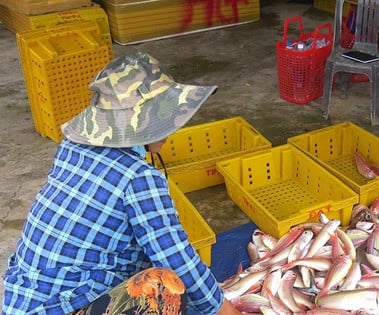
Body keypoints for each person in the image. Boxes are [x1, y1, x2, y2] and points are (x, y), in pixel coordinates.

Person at [2, 52, 241, 314]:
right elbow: (176, 258)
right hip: (62, 306)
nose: (171, 128)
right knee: (162, 286)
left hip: (26, 301)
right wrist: (225, 310)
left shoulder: (73, 148)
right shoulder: (138, 177)